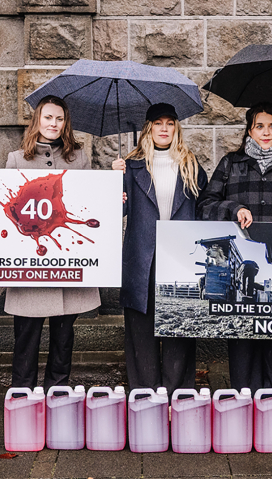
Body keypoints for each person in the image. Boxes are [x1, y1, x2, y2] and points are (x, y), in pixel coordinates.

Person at [198, 102, 272, 392]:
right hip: (244, 258)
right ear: (250, 129)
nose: (266, 132)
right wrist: (233, 208)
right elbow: (205, 206)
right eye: (259, 126)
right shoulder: (231, 163)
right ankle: (242, 405)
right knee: (243, 348)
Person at [3, 96, 100, 390]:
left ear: (65, 123)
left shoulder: (79, 158)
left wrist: (114, 190)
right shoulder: (16, 159)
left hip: (66, 264)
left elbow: (90, 205)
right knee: (26, 339)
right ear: (38, 121)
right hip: (30, 266)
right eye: (48, 118)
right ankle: (22, 397)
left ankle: (58, 396)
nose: (53, 124)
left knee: (63, 339)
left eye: (59, 119)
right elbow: (6, 211)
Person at [112, 103, 207, 394]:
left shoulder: (191, 164)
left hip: (181, 257)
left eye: (169, 123)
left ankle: (178, 394)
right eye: (158, 123)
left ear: (176, 128)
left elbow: (205, 209)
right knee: (141, 329)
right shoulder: (133, 164)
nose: (164, 129)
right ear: (148, 129)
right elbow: (117, 209)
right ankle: (144, 394)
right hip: (143, 258)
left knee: (180, 325)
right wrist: (115, 178)